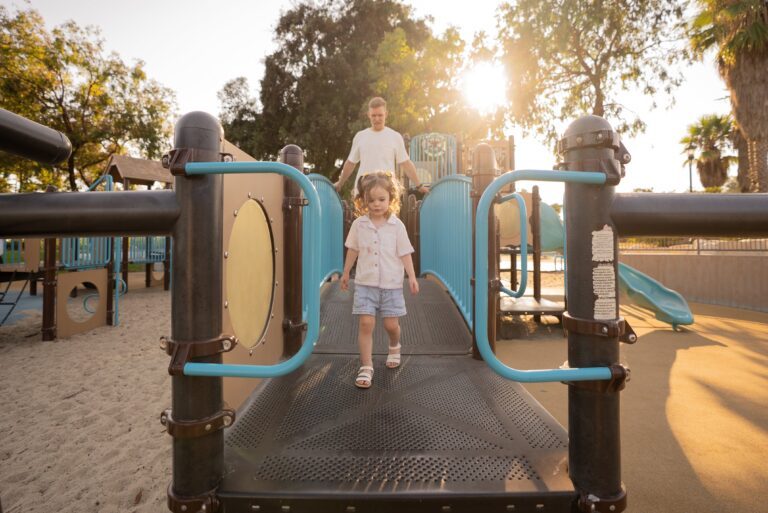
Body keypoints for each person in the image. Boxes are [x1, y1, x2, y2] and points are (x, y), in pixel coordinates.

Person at [340, 171, 420, 389]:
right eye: (371, 200)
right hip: (365, 284)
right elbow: (353, 250)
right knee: (366, 323)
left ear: (391, 199)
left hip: (391, 285)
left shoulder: (397, 226)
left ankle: (394, 345)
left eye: (381, 199)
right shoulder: (359, 225)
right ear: (363, 200)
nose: (376, 204)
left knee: (390, 324)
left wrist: (412, 277)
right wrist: (346, 272)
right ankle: (366, 366)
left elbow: (405, 253)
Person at [334, 97, 429, 197]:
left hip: (387, 191)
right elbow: (350, 163)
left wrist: (419, 185)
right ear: (368, 115)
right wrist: (340, 183)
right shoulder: (360, 136)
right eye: (373, 115)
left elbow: (406, 163)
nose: (377, 119)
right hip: (363, 190)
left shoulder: (395, 137)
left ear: (386, 114)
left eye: (380, 115)